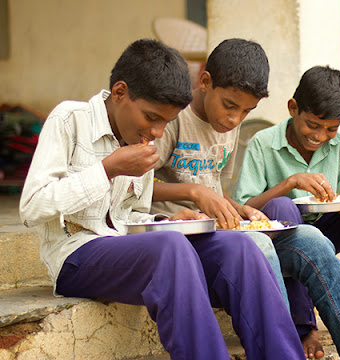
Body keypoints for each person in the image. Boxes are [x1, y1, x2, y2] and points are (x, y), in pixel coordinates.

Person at [19, 39, 308, 360]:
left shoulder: (141, 138)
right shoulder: (70, 119)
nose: (157, 132)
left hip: (127, 250)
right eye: (152, 117)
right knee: (170, 248)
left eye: (166, 123)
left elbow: (132, 215)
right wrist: (107, 170)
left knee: (241, 248)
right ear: (119, 93)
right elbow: (32, 206)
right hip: (75, 257)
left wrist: (163, 222)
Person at [152, 40, 340, 360]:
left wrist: (238, 208)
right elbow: (135, 187)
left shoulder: (226, 128)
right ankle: (299, 332)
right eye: (230, 106)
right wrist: (194, 193)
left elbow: (214, 190)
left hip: (218, 231)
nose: (235, 119)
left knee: (313, 239)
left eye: (246, 111)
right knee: (270, 231)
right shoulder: (173, 119)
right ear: (205, 83)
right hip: (180, 236)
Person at [232, 65, 340, 358]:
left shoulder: (339, 145)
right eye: (312, 125)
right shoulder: (263, 144)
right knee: (283, 208)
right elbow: (244, 209)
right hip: (283, 239)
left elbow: (339, 197)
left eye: (331, 128)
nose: (320, 136)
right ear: (293, 108)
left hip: (326, 230)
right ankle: (304, 325)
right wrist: (289, 184)